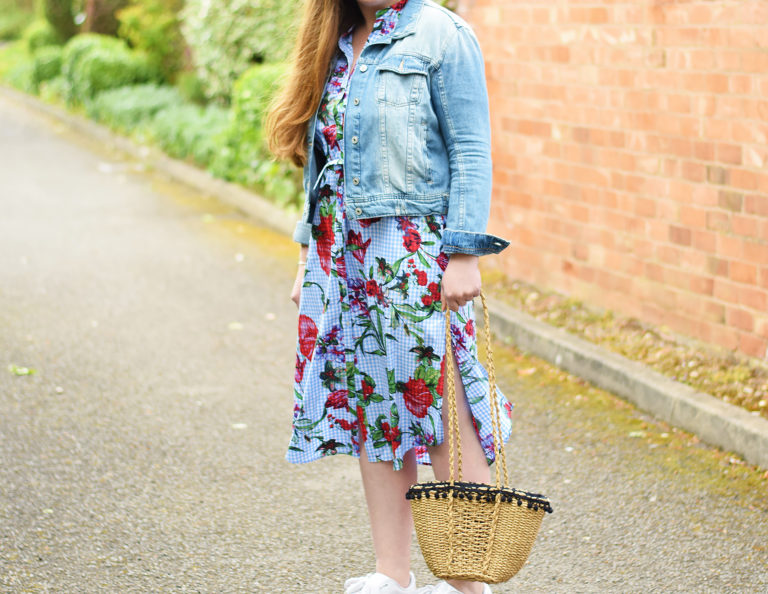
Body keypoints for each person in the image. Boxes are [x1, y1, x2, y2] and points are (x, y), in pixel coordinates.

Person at [266, 1, 513, 592]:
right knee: (373, 413)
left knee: (445, 412)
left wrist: (464, 253)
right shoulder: (335, 38)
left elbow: (472, 153)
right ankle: (391, 575)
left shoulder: (441, 34)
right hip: (342, 257)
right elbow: (322, 162)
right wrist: (308, 254)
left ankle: (466, 583)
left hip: (412, 254)